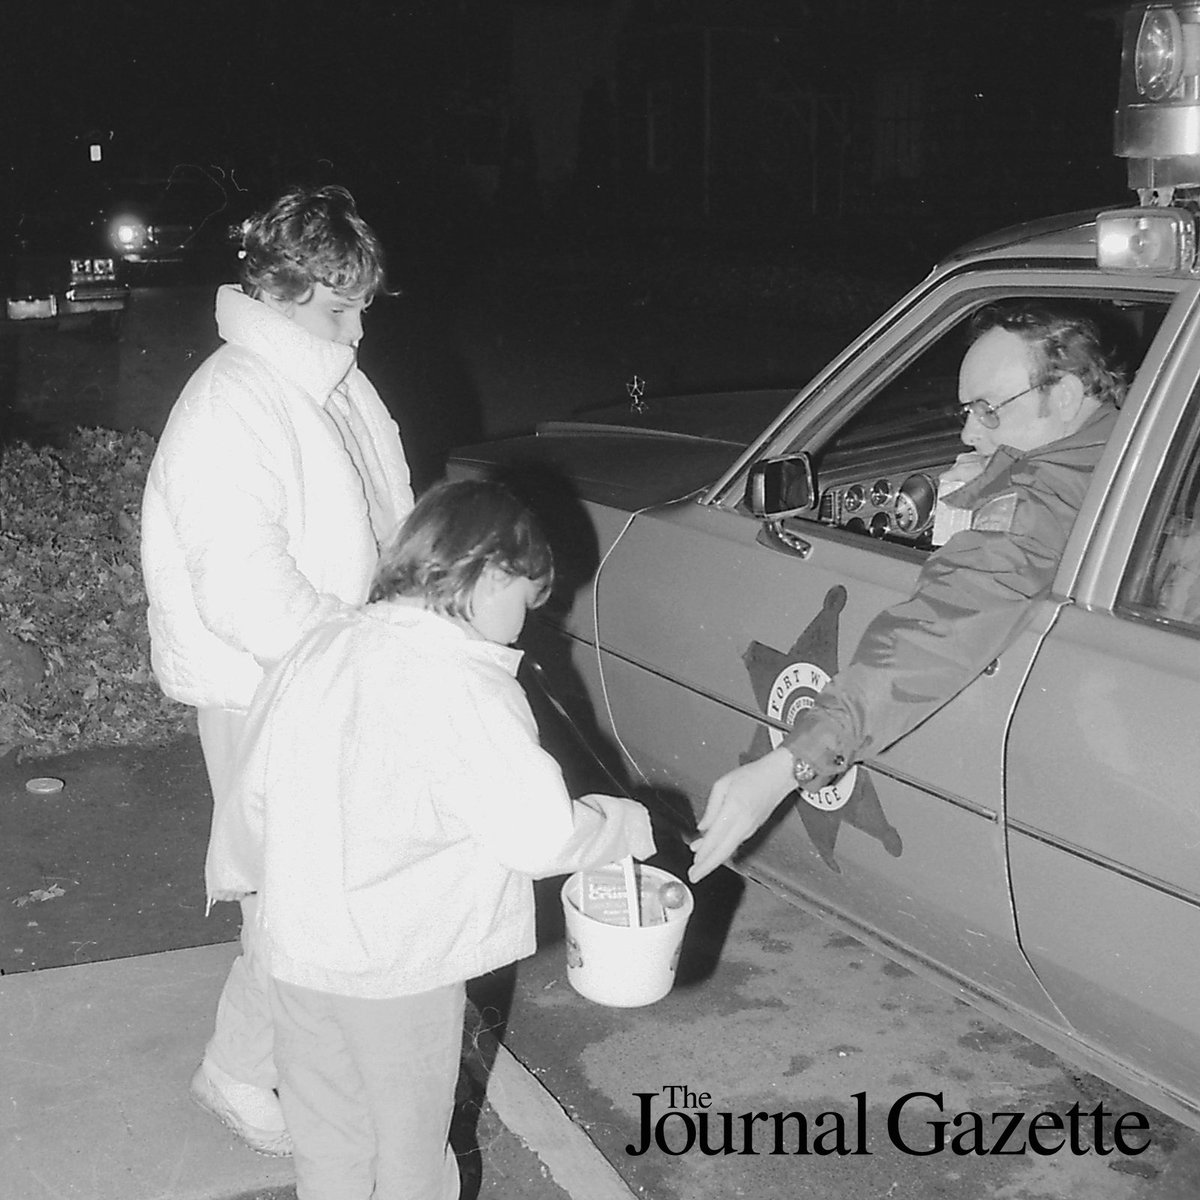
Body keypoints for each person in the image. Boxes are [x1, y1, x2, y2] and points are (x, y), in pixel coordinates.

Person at [222, 479, 655, 1200]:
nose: (525, 623)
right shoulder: (463, 683)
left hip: (296, 954)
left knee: (329, 1142)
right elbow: (539, 834)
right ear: (488, 577)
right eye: (525, 597)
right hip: (400, 971)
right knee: (412, 1154)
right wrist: (618, 828)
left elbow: (254, 789)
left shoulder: (324, 643)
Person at [140, 184, 414, 1154]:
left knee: (322, 883)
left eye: (362, 304)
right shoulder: (235, 397)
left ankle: (279, 1055)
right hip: (268, 682)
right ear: (285, 290)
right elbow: (245, 587)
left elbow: (386, 518)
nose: (358, 325)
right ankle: (239, 1072)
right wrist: (351, 668)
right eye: (341, 305)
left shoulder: (325, 377)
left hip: (332, 673)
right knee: (295, 889)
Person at [689, 302, 1128, 883]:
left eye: (987, 410)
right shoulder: (1133, 432)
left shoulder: (1036, 508)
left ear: (1067, 396)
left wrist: (786, 766)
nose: (969, 431)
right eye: (966, 410)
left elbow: (936, 627)